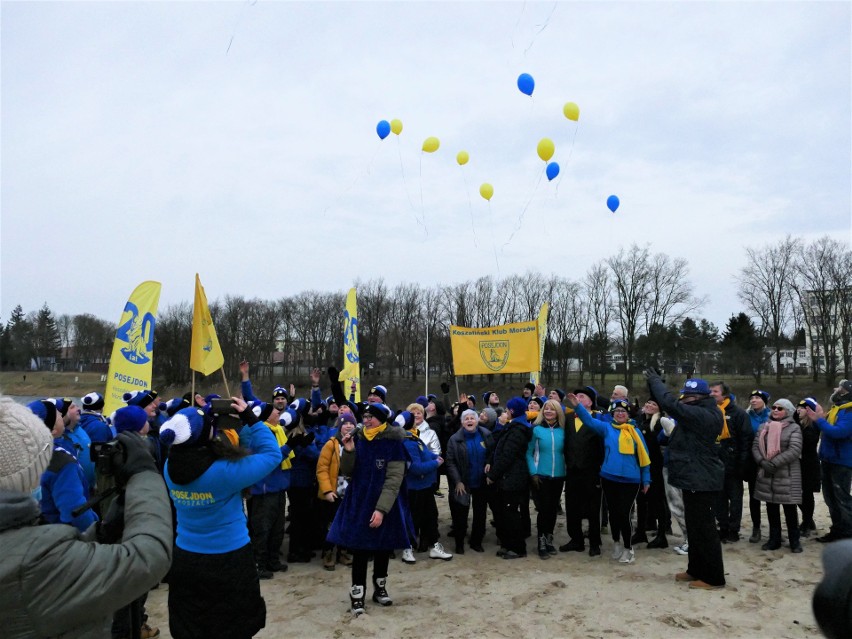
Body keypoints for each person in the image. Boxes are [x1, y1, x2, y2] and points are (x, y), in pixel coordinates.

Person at [0, 395, 172, 638]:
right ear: (32, 472)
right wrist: (144, 475)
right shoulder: (39, 558)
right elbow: (149, 556)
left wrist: (101, 532)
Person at [161, 398, 282, 638]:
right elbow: (271, 454)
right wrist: (250, 419)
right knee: (233, 624)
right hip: (230, 558)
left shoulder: (169, 468)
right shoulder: (224, 473)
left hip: (187, 555)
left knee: (193, 623)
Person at [327, 402, 413, 616]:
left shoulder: (394, 443)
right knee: (360, 549)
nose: (366, 421)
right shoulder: (358, 438)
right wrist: (348, 452)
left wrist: (382, 510)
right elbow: (347, 472)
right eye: (364, 416)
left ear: (381, 419)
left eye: (371, 417)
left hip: (386, 503)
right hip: (359, 501)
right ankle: (357, 596)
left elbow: (394, 480)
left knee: (383, 547)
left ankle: (380, 588)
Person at [644, 371, 726, 590]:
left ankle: (714, 578)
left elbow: (669, 403)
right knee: (695, 527)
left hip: (702, 478)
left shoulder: (705, 414)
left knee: (705, 530)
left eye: (688, 397)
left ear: (699, 397)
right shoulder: (699, 410)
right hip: (693, 477)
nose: (684, 400)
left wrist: (655, 383)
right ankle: (696, 570)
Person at [564, 394, 650, 565]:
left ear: (628, 415)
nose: (619, 414)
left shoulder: (636, 432)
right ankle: (617, 543)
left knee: (624, 514)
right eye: (617, 411)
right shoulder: (607, 428)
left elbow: (644, 457)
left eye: (623, 411)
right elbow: (589, 422)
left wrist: (646, 479)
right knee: (612, 514)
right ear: (612, 414)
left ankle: (628, 547)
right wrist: (577, 406)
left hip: (630, 480)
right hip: (609, 478)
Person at [28, 399, 99, 533]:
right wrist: (94, 530)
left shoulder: (25, 454)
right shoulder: (60, 462)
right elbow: (75, 512)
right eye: (58, 414)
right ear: (53, 430)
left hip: (35, 533)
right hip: (61, 536)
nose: (62, 414)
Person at [397, 410, 451, 561]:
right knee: (414, 519)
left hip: (425, 486)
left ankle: (435, 546)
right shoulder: (408, 442)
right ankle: (408, 549)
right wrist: (435, 463)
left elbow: (425, 454)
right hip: (415, 488)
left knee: (431, 517)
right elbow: (415, 468)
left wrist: (434, 457)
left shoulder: (415, 438)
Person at [752, 398, 803, 552]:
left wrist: (774, 463)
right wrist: (762, 462)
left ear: (787, 411)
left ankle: (795, 541)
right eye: (774, 407)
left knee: (789, 509)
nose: (775, 410)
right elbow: (755, 446)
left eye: (780, 408)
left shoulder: (794, 428)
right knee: (771, 508)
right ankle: (774, 540)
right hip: (767, 473)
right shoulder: (764, 426)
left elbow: (794, 450)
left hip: (786, 473)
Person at [486, 397, 533, 560]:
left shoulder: (518, 430)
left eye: (506, 410)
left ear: (512, 412)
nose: (504, 413)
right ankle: (508, 544)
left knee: (511, 513)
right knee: (505, 513)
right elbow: (499, 449)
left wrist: (493, 475)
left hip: (512, 478)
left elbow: (508, 455)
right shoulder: (512, 427)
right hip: (507, 477)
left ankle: (518, 548)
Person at [560, 387, 604, 557]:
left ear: (590, 401)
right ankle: (576, 540)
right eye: (576, 396)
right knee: (572, 507)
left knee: (593, 508)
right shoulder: (568, 418)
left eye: (581, 396)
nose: (577, 398)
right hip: (572, 470)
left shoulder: (597, 419)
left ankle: (594, 542)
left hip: (592, 471)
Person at [808, 379, 852, 543]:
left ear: (846, 392)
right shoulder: (838, 409)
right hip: (828, 459)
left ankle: (847, 534)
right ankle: (837, 530)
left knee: (842, 498)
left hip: (842, 462)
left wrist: (818, 419)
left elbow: (838, 433)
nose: (835, 390)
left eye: (839, 388)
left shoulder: (849, 412)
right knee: (830, 498)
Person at [445, 408, 493, 554]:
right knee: (461, 514)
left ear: (477, 421)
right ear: (462, 422)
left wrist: (490, 464)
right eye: (467, 419)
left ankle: (476, 541)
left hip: (481, 481)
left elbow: (492, 452)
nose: (470, 420)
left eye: (473, 418)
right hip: (463, 483)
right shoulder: (454, 439)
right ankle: (459, 543)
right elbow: (450, 462)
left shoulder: (486, 435)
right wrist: (458, 481)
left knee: (480, 513)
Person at [709, 381, 751, 543]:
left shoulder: (739, 413)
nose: (712, 394)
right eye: (710, 391)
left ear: (724, 394)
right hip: (715, 463)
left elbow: (745, 439)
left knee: (735, 500)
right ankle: (723, 527)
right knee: (719, 499)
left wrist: (742, 464)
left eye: (715, 391)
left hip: (733, 464)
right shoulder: (710, 412)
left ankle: (734, 529)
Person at [316, 413, 356, 570]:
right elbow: (322, 468)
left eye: (351, 424)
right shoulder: (331, 444)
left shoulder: (356, 443)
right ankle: (328, 553)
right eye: (345, 423)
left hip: (349, 491)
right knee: (331, 524)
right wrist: (326, 490)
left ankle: (343, 552)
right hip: (333, 490)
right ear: (339, 426)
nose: (348, 426)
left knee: (347, 523)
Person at [527, 399, 566, 559]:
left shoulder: (563, 430)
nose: (549, 411)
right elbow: (528, 453)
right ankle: (541, 541)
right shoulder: (536, 429)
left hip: (558, 475)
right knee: (543, 509)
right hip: (540, 476)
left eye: (552, 409)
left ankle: (549, 538)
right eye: (546, 409)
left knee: (552, 510)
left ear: (558, 412)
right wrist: (533, 472)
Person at [636, 398, 671, 549]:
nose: (649, 405)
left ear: (659, 409)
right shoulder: (641, 421)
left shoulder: (659, 424)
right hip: (640, 466)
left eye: (654, 404)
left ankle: (662, 535)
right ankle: (640, 532)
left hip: (655, 467)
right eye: (648, 403)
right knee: (641, 501)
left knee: (657, 501)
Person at [745, 389, 772, 543]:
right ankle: (756, 528)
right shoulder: (746, 416)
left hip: (769, 459)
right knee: (754, 496)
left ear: (764, 401)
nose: (753, 400)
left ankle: (774, 528)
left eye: (757, 398)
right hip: (752, 460)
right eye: (752, 397)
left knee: (771, 496)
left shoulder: (772, 415)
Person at [794, 397, 821, 537]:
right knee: (797, 494)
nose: (799, 409)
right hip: (798, 463)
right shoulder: (797, 423)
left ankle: (807, 522)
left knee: (807, 494)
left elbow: (807, 443)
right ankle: (808, 520)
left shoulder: (813, 425)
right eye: (797, 407)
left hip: (809, 464)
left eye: (803, 407)